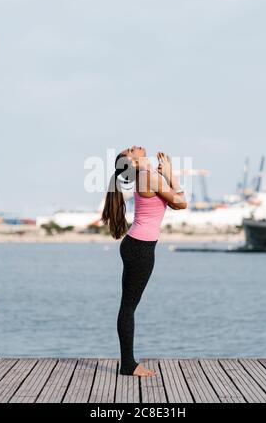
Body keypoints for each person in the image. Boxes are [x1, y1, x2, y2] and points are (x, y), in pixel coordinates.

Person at [101, 146, 187, 376]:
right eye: (129, 150)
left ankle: (128, 363)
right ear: (133, 162)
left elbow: (173, 202)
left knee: (128, 307)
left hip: (137, 246)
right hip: (139, 249)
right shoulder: (148, 177)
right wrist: (171, 176)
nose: (133, 147)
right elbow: (181, 203)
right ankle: (128, 365)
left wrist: (166, 176)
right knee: (128, 307)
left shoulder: (146, 176)